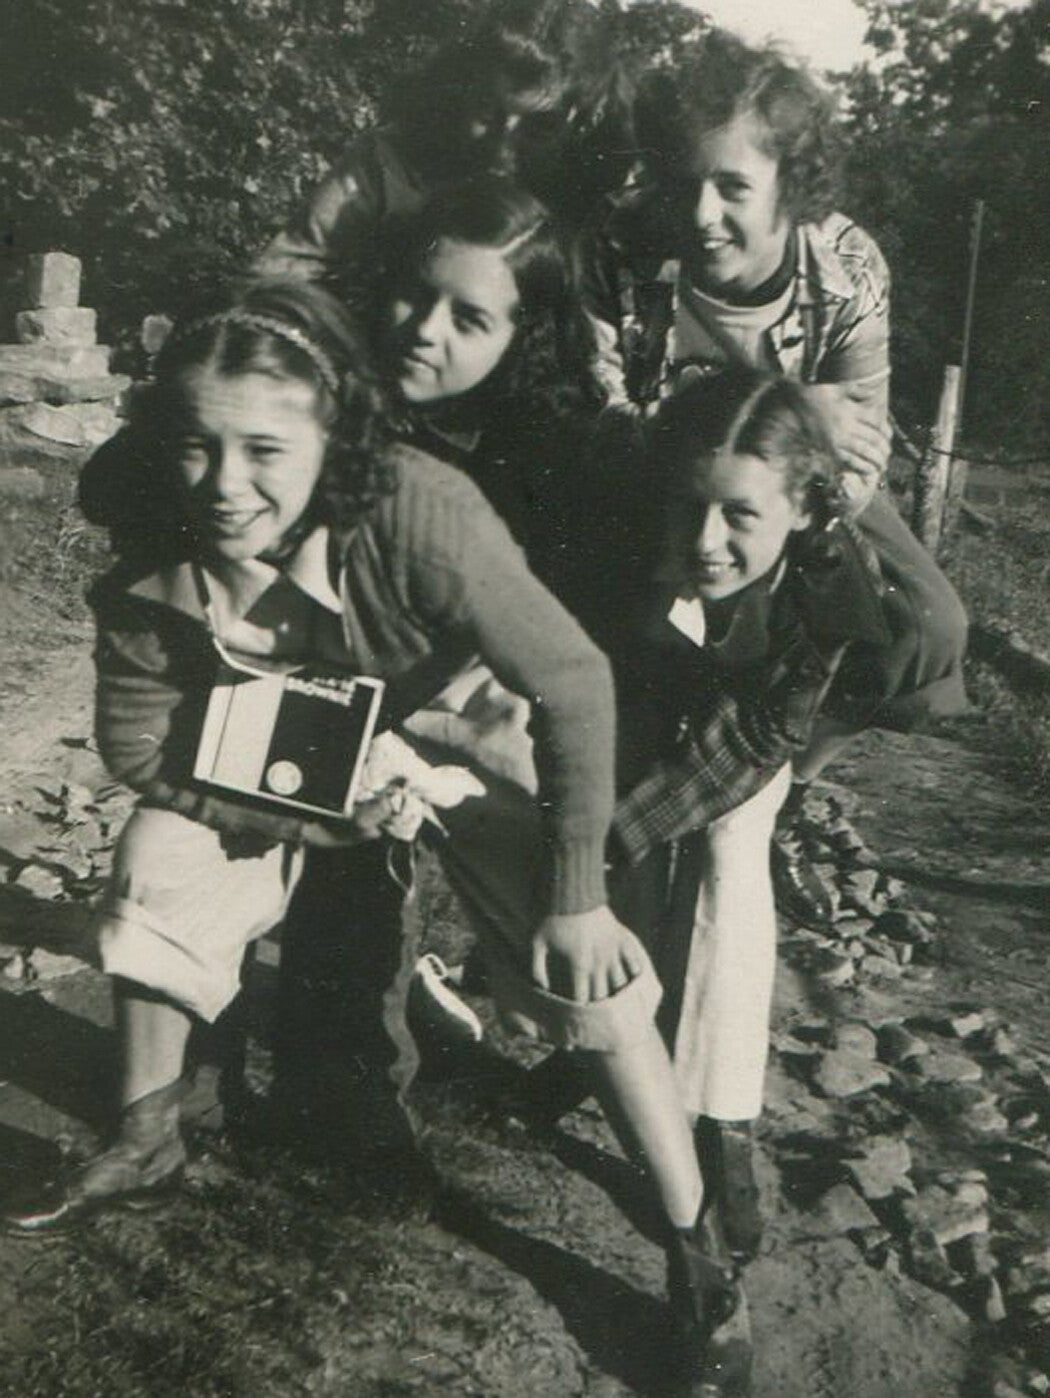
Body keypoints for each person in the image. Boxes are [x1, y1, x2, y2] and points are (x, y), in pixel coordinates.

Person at [3, 278, 745, 1397]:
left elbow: (574, 682)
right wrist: (304, 810)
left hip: (457, 703)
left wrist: (578, 891)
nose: (226, 484)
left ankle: (699, 1258)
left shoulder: (418, 507)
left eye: (263, 448)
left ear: (334, 433)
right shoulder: (156, 533)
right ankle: (147, 1127)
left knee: (587, 969)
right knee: (154, 856)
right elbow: (145, 755)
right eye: (197, 446)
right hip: (290, 738)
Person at [583, 27, 969, 919]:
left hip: (800, 500)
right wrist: (779, 402)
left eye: (733, 187)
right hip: (650, 487)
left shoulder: (845, 271)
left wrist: (786, 551)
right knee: (649, 640)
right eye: (684, 182)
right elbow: (597, 421)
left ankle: (784, 782)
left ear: (791, 186)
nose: (702, 213)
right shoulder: (623, 255)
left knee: (928, 625)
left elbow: (858, 461)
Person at [252, 25, 563, 289]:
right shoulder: (384, 163)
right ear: (452, 95)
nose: (504, 137)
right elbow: (287, 267)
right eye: (486, 110)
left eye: (528, 124)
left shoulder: (519, 185)